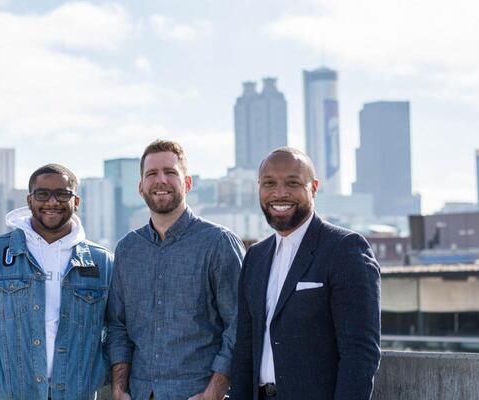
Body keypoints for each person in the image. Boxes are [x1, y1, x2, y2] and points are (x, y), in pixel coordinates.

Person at [0, 164, 113, 400]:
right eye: (42, 194)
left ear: (76, 201)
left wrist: (99, 372)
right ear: (29, 200)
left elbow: (118, 327)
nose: (52, 202)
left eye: (62, 194)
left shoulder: (102, 262)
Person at [230, 147, 381, 400]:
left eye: (293, 183)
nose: (279, 193)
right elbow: (245, 349)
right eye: (269, 183)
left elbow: (360, 352)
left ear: (314, 187)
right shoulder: (255, 257)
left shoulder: (345, 249)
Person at [107, 139, 245, 400]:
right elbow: (118, 327)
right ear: (140, 187)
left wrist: (213, 393)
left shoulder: (218, 243)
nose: (161, 180)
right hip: (140, 393)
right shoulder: (127, 249)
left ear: (188, 183)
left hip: (197, 393)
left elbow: (239, 325)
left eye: (170, 172)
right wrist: (118, 389)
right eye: (152, 174)